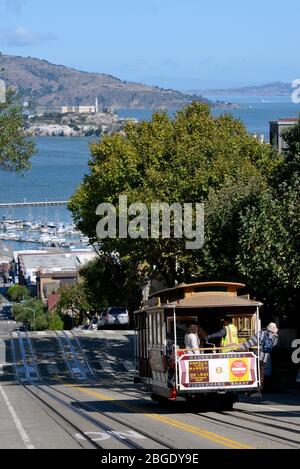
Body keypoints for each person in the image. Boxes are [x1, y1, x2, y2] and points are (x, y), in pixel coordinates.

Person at [239, 322, 279, 390]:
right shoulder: (275, 337)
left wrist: (241, 347)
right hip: (266, 357)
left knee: (254, 370)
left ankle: (253, 385)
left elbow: (251, 342)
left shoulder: (261, 333)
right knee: (261, 371)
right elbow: (274, 345)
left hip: (257, 355)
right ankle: (260, 386)